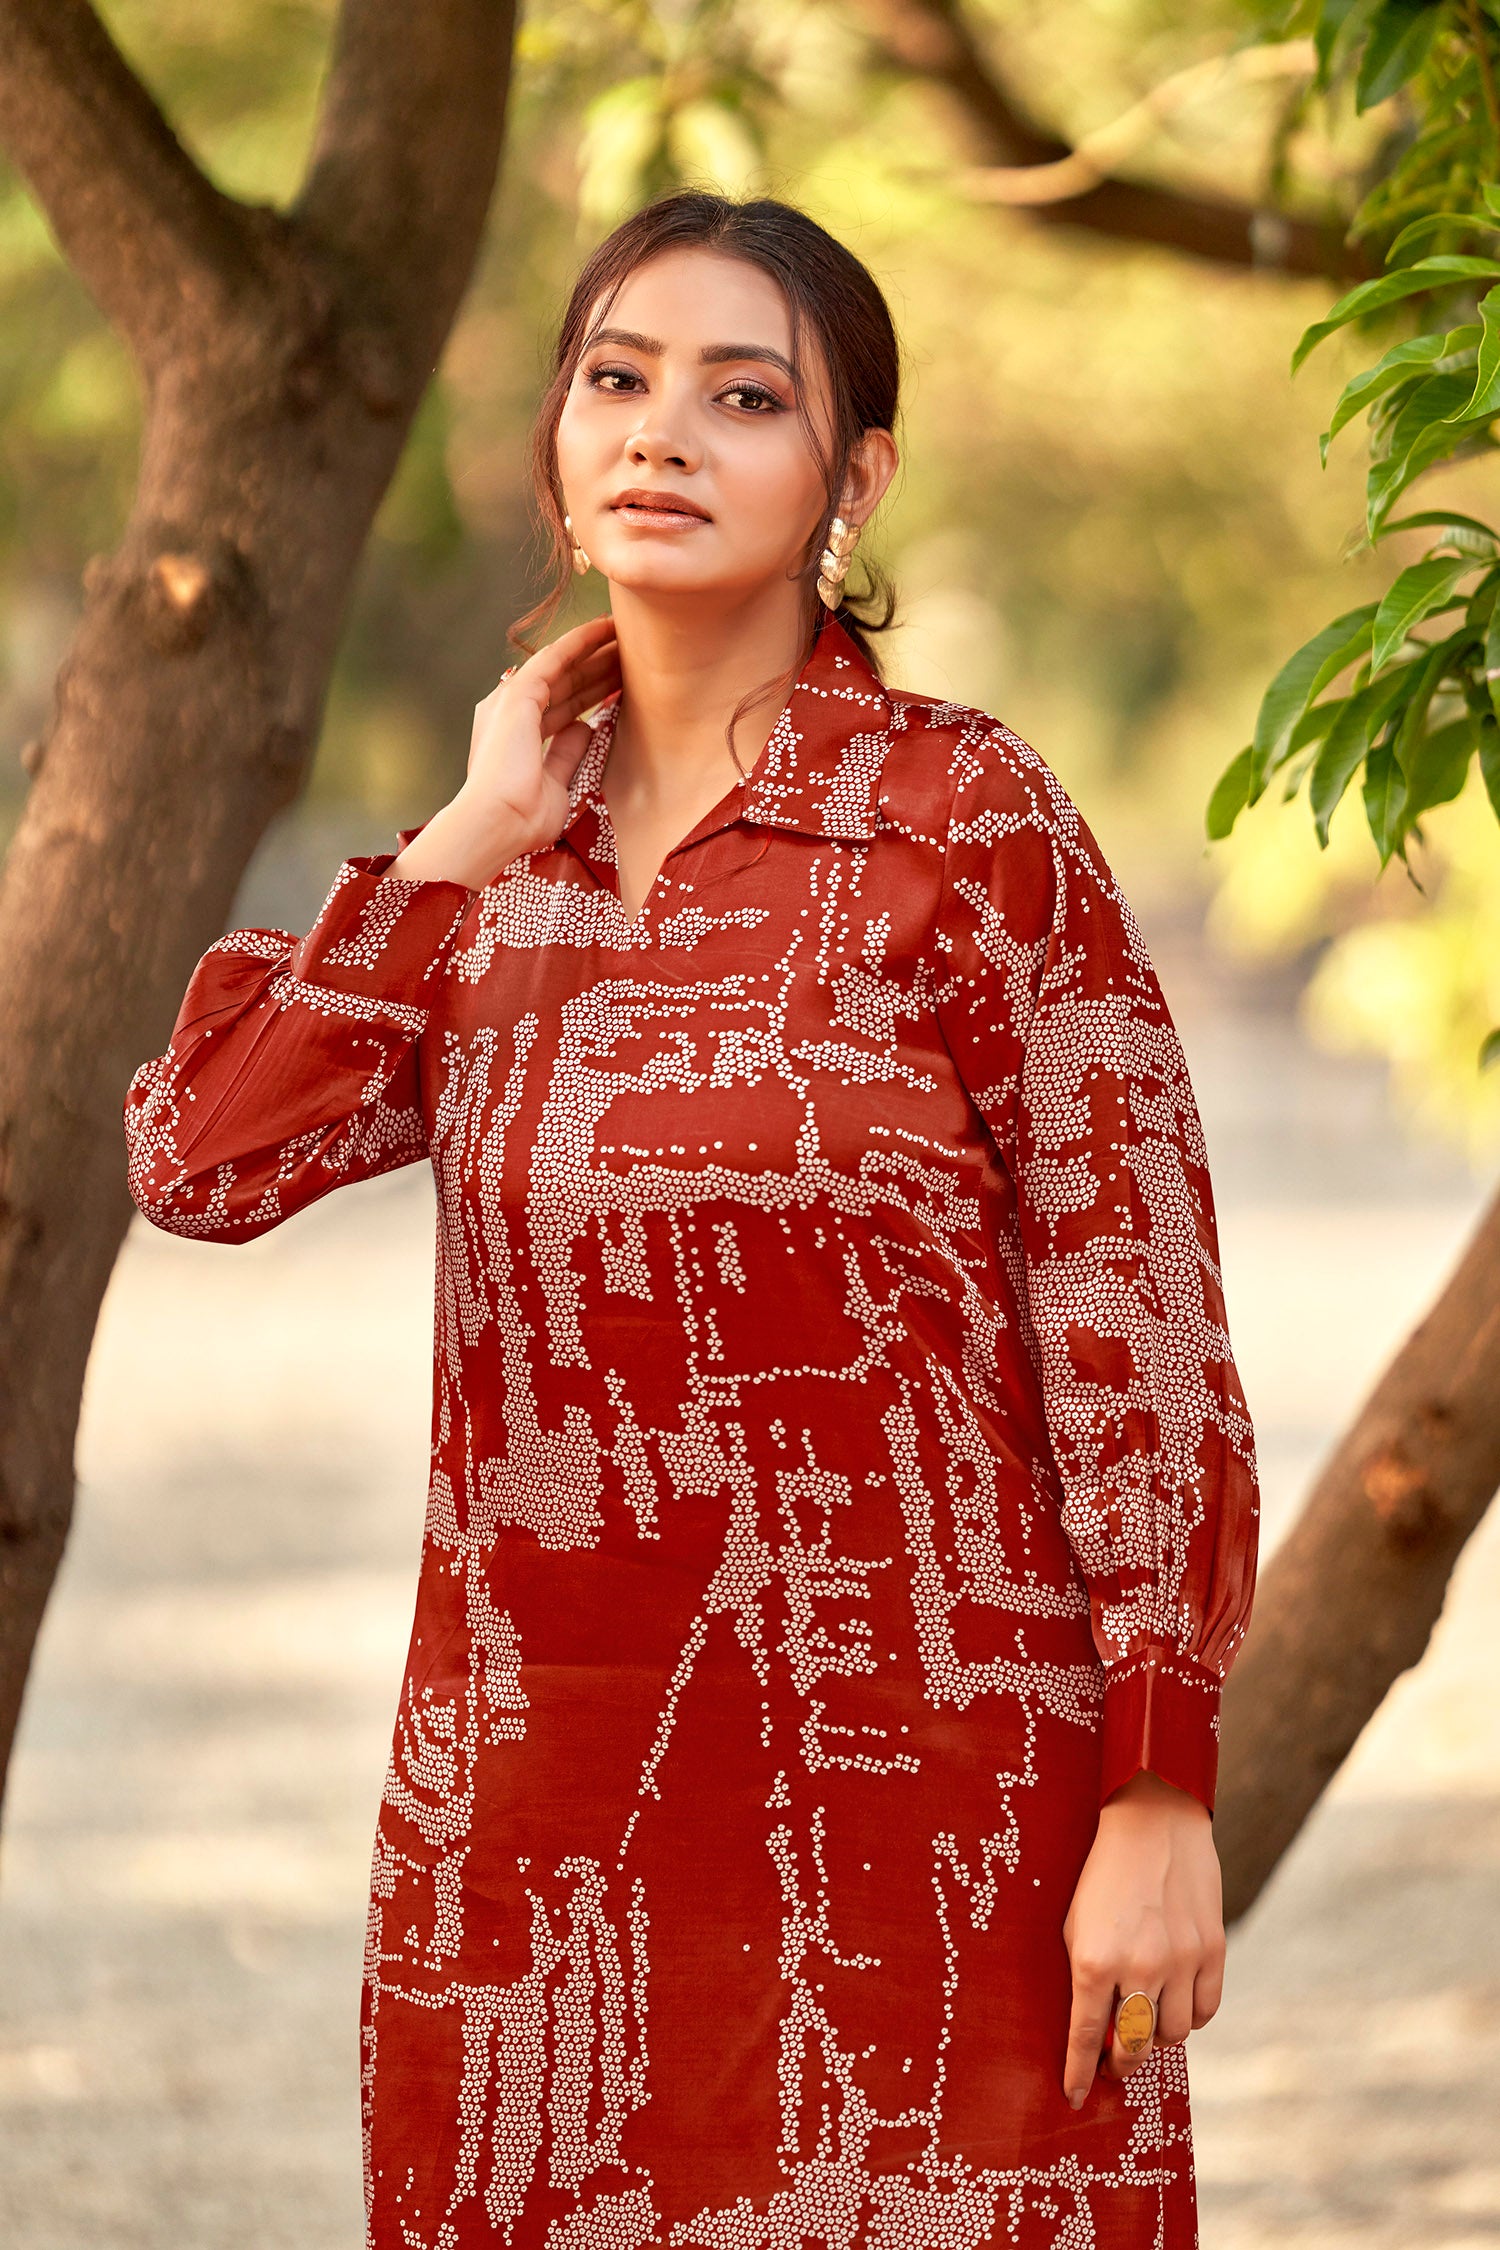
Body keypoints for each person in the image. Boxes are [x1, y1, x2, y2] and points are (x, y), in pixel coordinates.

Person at [122, 189, 1260, 2250]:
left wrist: (1162, 1779)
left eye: (746, 396)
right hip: (535, 1864)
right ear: (556, 444)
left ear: (857, 478)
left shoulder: (962, 825)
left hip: (940, 1828)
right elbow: (199, 1162)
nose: (662, 431)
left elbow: (1141, 1310)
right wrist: (466, 837)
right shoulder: (487, 878)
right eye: (617, 379)